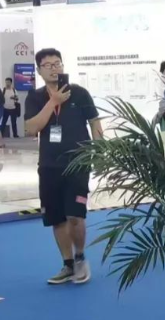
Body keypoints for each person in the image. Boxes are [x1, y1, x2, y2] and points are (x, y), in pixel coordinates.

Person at [24, 48, 103, 285]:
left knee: (75, 215)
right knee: (57, 218)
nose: (54, 68)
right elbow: (31, 129)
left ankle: (80, 258)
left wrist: (100, 153)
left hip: (78, 163)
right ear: (39, 70)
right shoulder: (35, 97)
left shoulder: (79, 93)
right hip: (49, 166)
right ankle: (67, 264)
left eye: (57, 63)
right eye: (48, 65)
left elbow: (95, 123)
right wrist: (53, 102)